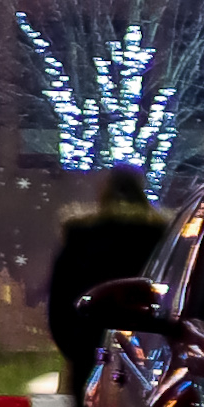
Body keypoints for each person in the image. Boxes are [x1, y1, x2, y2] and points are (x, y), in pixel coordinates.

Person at [44, 167, 164, 394]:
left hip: (90, 355)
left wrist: (75, 349)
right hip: (151, 357)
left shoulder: (81, 238)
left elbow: (59, 304)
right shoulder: (160, 238)